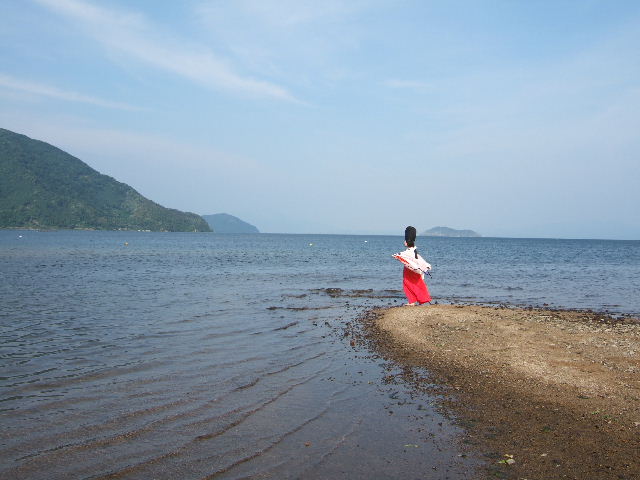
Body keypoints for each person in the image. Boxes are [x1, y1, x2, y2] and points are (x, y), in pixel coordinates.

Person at [392, 226, 432, 305]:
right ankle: (418, 299)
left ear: (407, 242)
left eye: (405, 241)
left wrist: (397, 256)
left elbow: (404, 255)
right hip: (412, 269)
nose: (404, 242)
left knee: (407, 284)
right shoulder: (414, 250)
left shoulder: (409, 251)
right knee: (416, 283)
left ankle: (412, 301)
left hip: (410, 270)